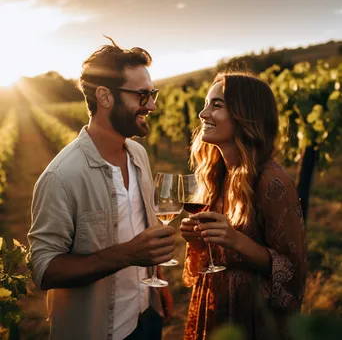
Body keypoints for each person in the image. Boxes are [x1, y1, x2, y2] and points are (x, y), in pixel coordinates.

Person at [27, 37, 175, 340]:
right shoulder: (61, 176)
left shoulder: (139, 156)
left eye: (153, 93)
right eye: (143, 95)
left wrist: (157, 285)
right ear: (105, 97)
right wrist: (127, 254)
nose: (153, 105)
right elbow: (44, 269)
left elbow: (141, 228)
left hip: (146, 318)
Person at [180, 72, 307, 340]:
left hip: (251, 317)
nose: (203, 113)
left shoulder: (272, 182)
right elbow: (213, 256)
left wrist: (235, 241)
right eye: (206, 103)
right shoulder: (217, 173)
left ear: (245, 115)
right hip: (217, 306)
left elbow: (293, 271)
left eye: (217, 105)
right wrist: (198, 241)